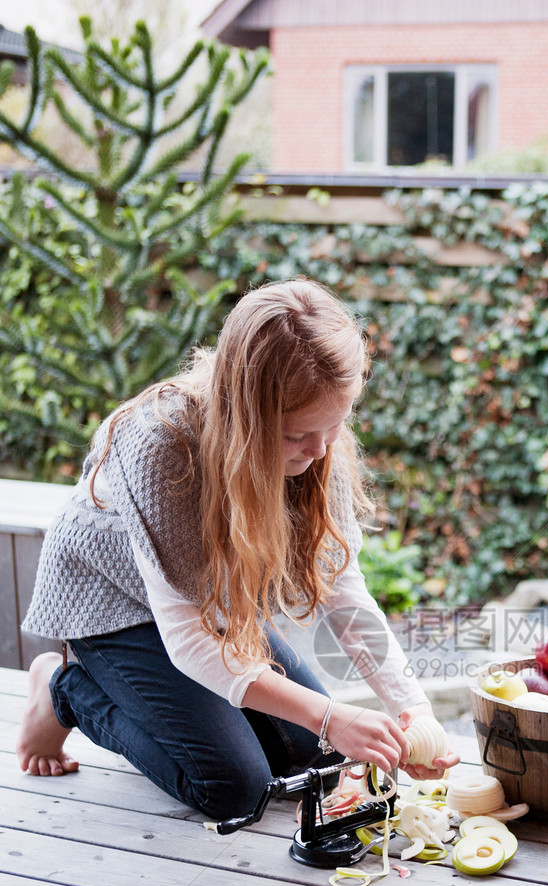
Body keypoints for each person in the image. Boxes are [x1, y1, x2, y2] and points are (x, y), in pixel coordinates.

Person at [16, 279, 458, 817]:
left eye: (335, 425)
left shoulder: (316, 445)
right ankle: (64, 687)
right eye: (297, 436)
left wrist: (415, 710)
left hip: (204, 601)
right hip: (112, 602)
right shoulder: (162, 447)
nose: (320, 451)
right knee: (233, 789)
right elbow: (190, 642)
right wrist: (330, 715)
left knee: (308, 761)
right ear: (245, 415)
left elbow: (344, 592)